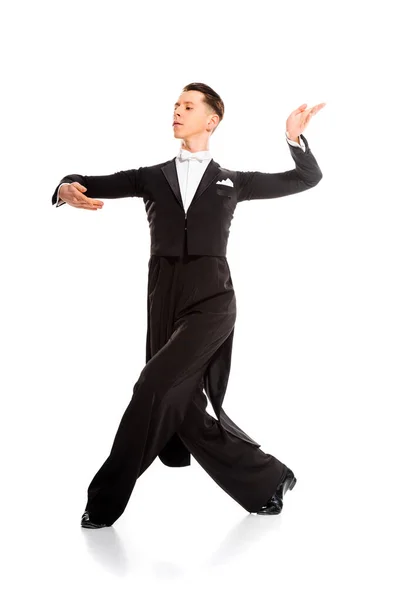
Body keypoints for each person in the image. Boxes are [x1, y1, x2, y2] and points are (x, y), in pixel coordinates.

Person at [52, 82, 325, 528]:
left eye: (188, 105)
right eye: (176, 105)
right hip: (163, 297)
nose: (177, 111)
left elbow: (306, 179)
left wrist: (293, 138)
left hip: (212, 299)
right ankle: (269, 481)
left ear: (212, 120)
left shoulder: (234, 182)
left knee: (152, 387)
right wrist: (65, 188)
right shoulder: (150, 176)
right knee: (182, 407)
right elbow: (84, 181)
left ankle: (102, 503)